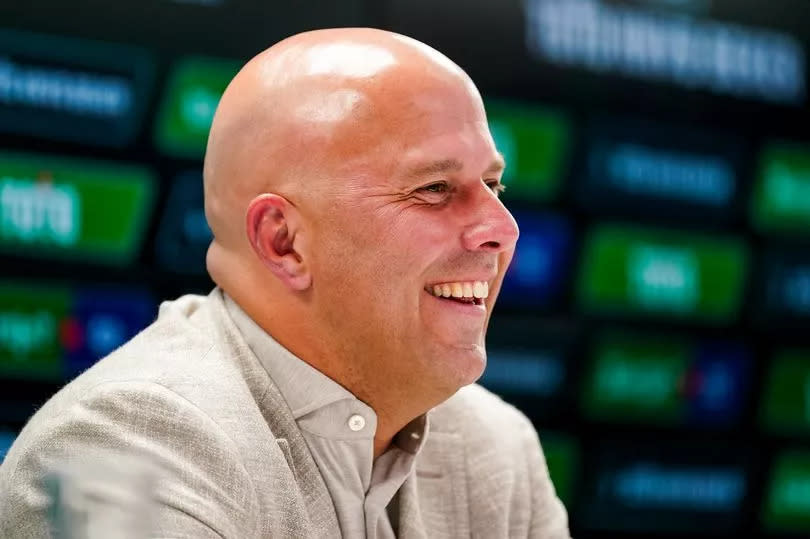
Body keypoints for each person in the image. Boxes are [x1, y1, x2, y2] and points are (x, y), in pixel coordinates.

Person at [0, 27, 571, 538]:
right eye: (435, 189)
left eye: (494, 186)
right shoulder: (117, 449)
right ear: (283, 242)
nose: (503, 229)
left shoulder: (496, 448)